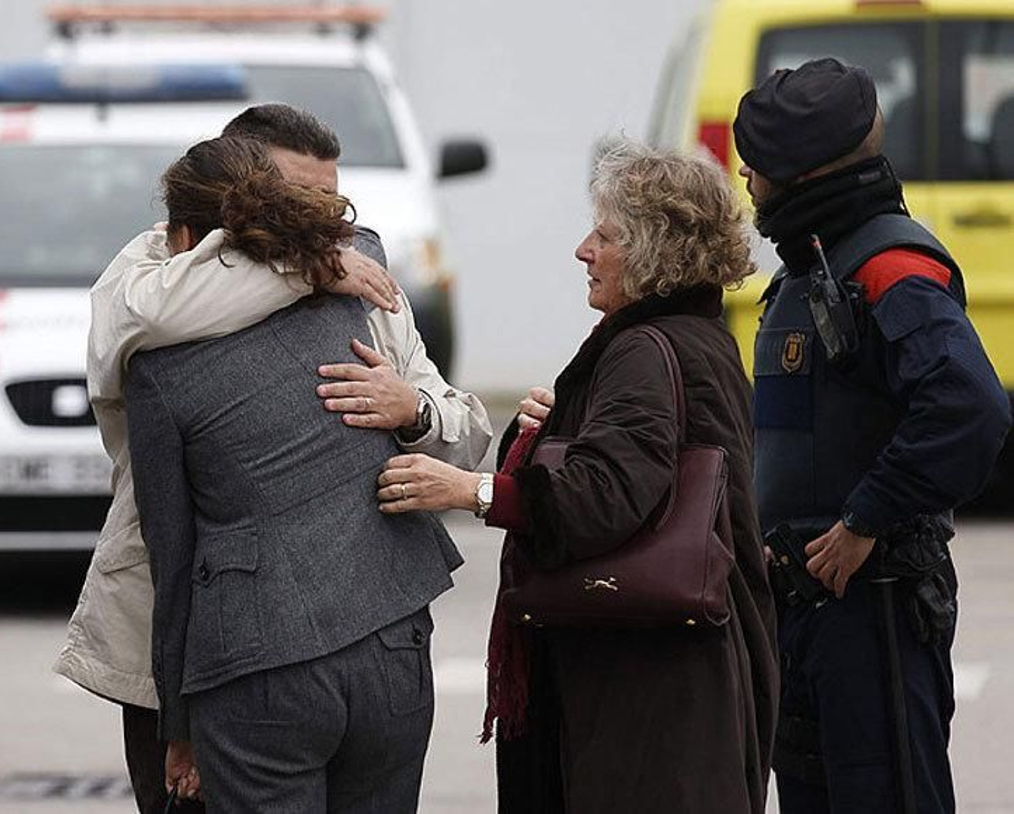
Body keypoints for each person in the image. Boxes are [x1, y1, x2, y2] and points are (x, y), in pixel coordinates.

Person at [53, 104, 491, 813]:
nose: (317, 217)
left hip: (354, 627)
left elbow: (466, 431)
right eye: (295, 198)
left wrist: (412, 410)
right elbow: (146, 319)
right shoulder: (151, 277)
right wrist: (310, 266)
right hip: (181, 633)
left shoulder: (363, 279)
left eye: (327, 199)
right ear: (243, 188)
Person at [378, 140, 778, 812]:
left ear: (654, 251)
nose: (583, 249)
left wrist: (471, 490)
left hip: (648, 691)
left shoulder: (644, 351)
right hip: (688, 672)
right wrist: (559, 427)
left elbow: (606, 496)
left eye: (606, 234)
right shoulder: (696, 336)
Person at [733, 59, 1011, 813]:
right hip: (806, 618)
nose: (747, 179)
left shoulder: (890, 266)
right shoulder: (805, 272)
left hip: (875, 617)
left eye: (756, 164)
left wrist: (865, 519)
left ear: (802, 171)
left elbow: (970, 408)